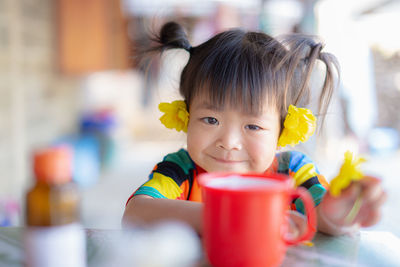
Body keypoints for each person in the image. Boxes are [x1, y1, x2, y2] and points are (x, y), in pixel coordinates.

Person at [122, 21, 386, 237]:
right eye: (211, 120)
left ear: (282, 132)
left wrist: (338, 214)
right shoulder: (182, 169)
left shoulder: (292, 171)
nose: (229, 142)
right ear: (187, 116)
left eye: (253, 126)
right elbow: (135, 212)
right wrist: (234, 219)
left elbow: (323, 215)